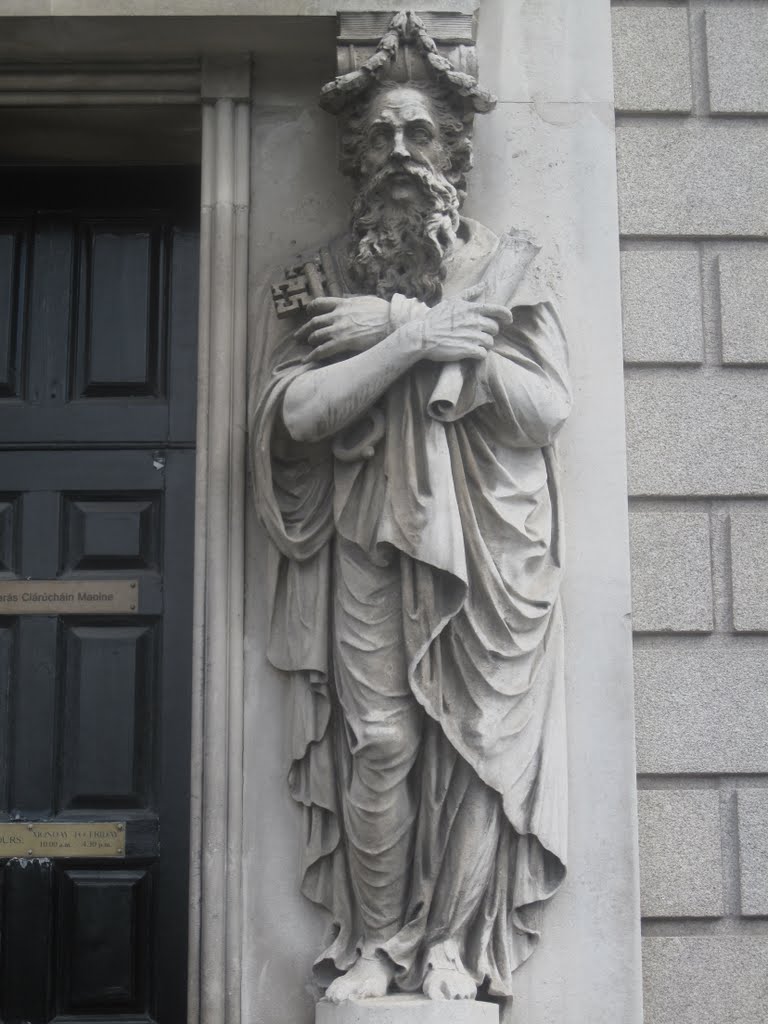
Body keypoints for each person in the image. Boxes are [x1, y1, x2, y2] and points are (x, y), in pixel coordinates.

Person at [250, 14, 571, 1006]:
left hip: (492, 532)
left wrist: (438, 340)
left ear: (452, 153)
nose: (400, 151)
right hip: (368, 532)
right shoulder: (324, 279)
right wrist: (412, 335)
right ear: (356, 156)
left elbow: (547, 409)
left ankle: (454, 949)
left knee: (478, 747)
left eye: (419, 133)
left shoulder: (509, 270)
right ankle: (381, 940)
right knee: (379, 740)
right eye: (383, 134)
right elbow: (295, 413)